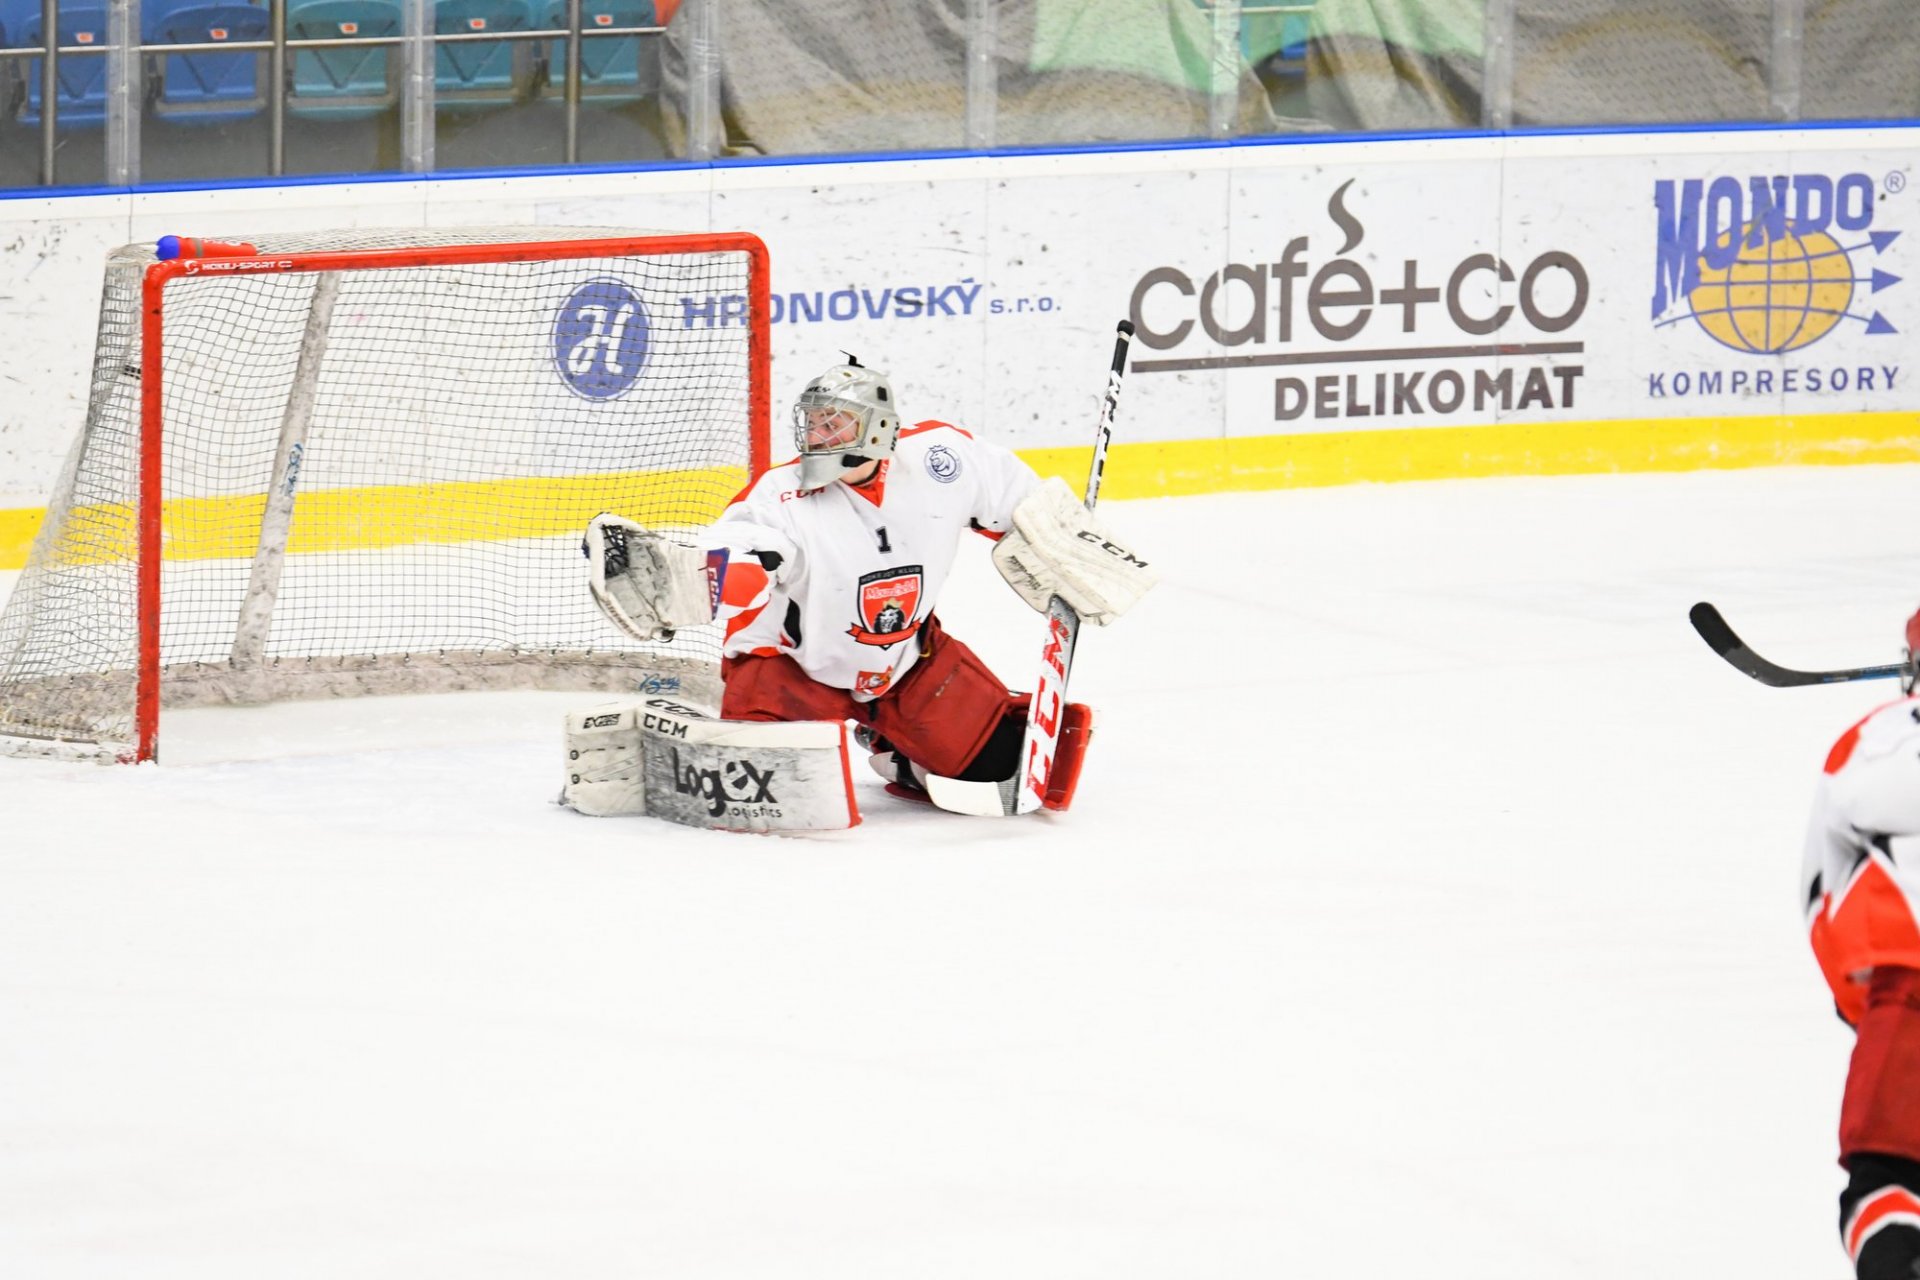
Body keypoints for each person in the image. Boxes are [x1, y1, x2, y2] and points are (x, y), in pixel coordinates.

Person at [585, 356, 1156, 808]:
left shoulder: (941, 460)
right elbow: (742, 551)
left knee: (1008, 761)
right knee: (771, 789)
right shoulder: (779, 497)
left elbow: (1019, 501)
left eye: (835, 423)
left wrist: (1061, 541)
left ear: (878, 429)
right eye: (813, 422)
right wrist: (695, 579)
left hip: (907, 664)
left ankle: (898, 751)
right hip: (791, 672)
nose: (819, 434)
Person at [1803, 607, 1920, 1279]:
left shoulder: (1871, 743)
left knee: (1887, 1185)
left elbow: (1821, 896)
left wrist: (1867, 1009)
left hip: (1908, 997)